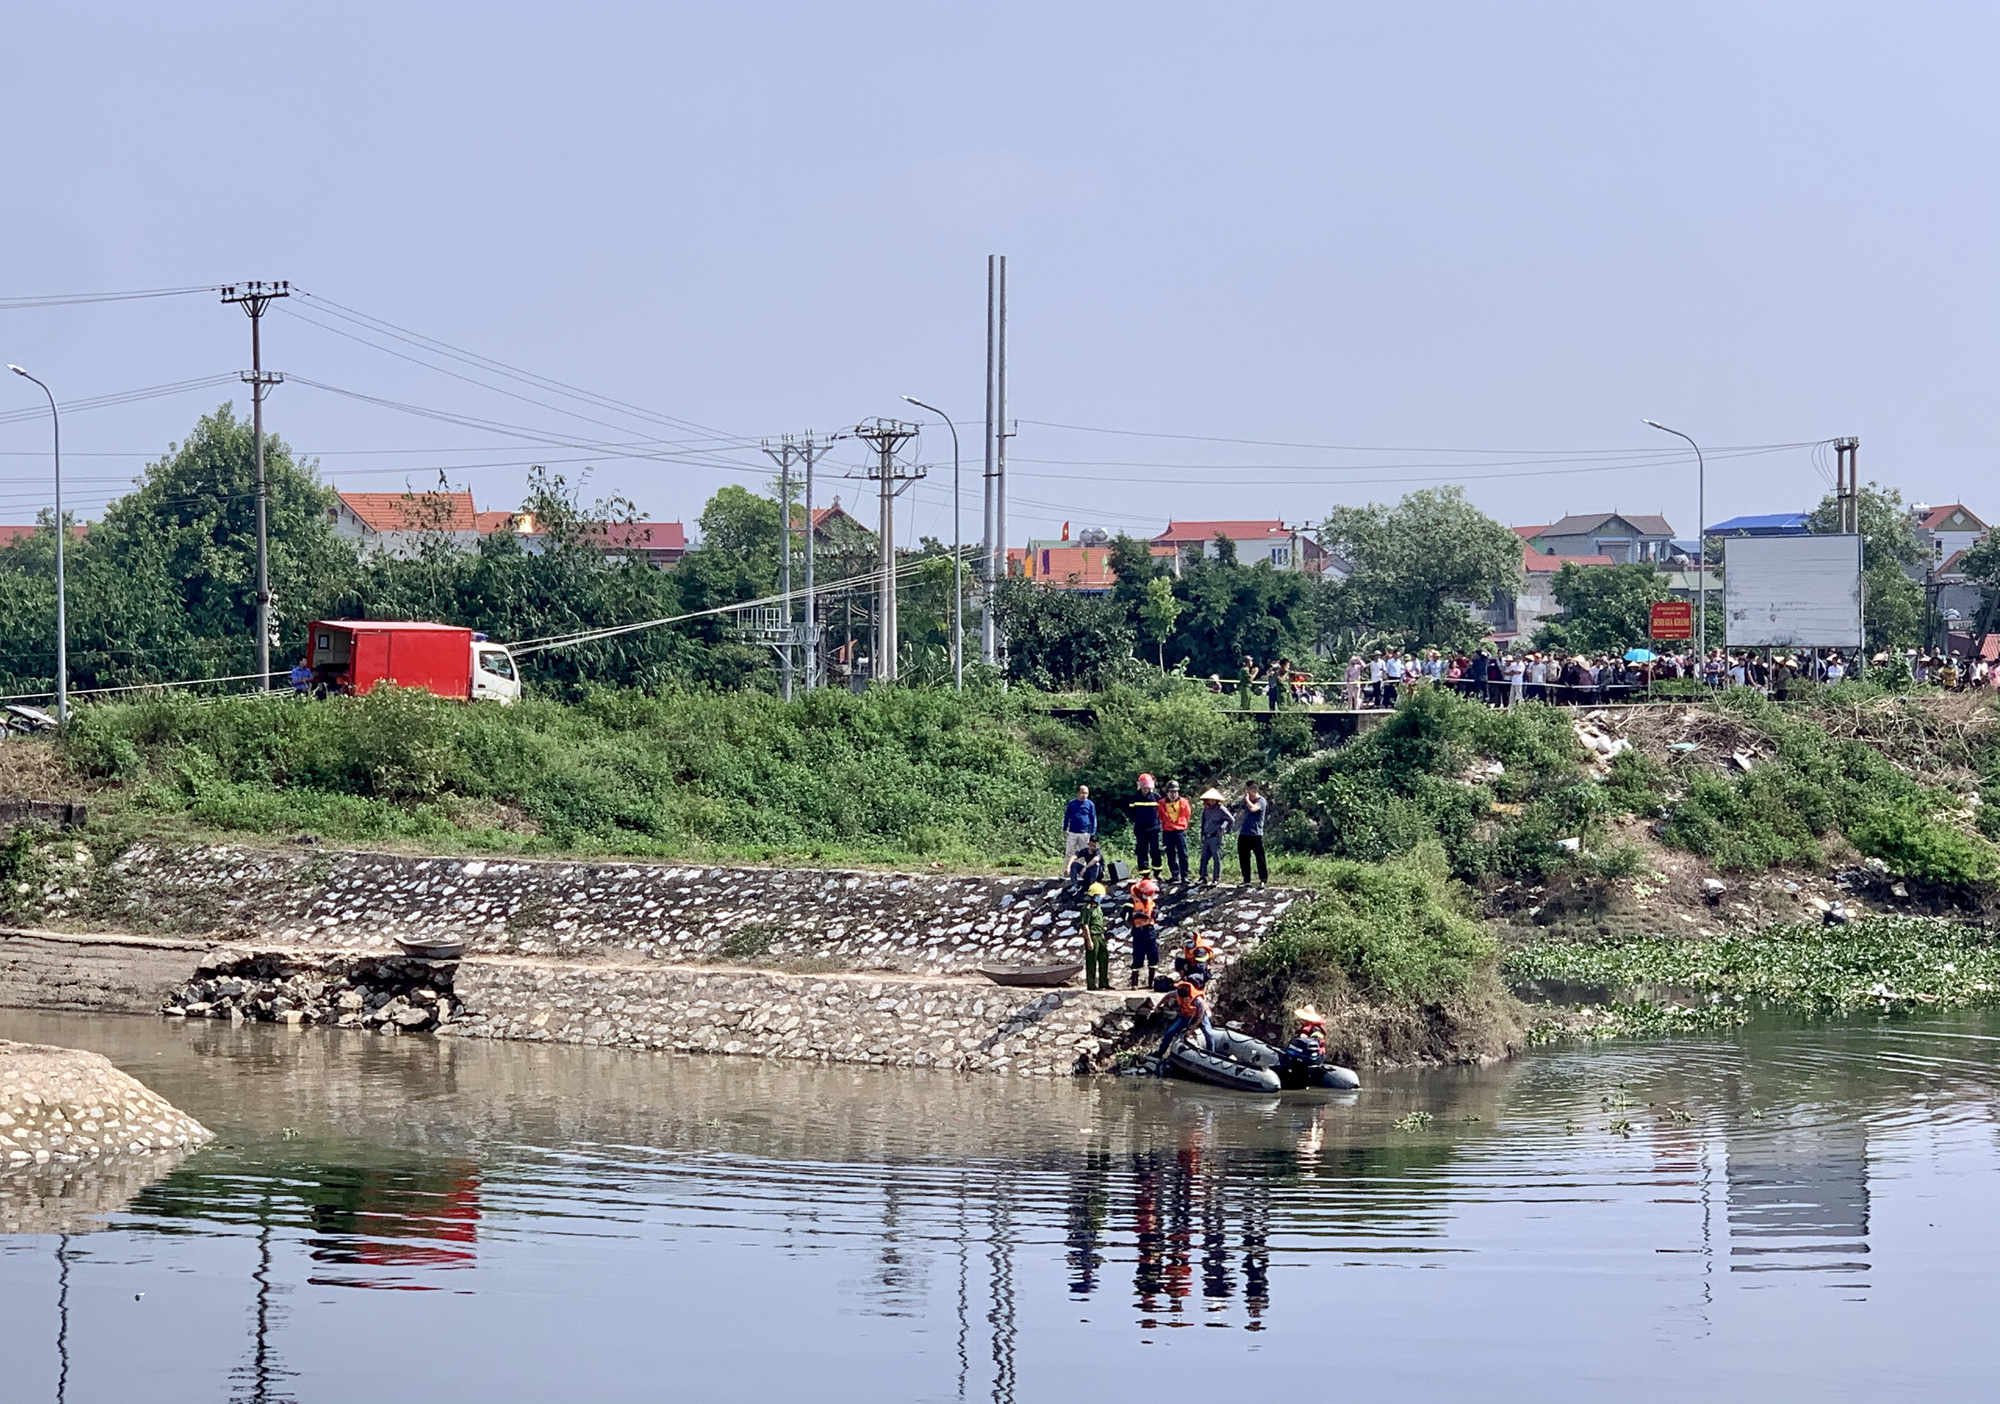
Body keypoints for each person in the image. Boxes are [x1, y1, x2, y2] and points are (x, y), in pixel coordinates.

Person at [1155, 978, 1213, 1064]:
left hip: (1200, 1017)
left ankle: (1211, 1055)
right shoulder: (1177, 993)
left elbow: (1200, 1017)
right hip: (1186, 1016)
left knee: (1209, 1034)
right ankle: (1160, 1052)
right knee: (1170, 1032)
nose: (1184, 1000)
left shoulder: (1198, 1000)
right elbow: (1167, 996)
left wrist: (1191, 1030)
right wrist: (1158, 1005)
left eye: (1186, 998)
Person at [1127, 874, 1161, 989]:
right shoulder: (1132, 900)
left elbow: (1154, 907)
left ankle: (1151, 983)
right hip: (1139, 931)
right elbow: (1125, 915)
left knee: (1154, 957)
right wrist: (1136, 914)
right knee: (1138, 958)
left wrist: (1156, 912)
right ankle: (1134, 983)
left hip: (1150, 931)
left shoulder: (1150, 899)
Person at [1128, 772, 1165, 878]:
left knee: (1155, 850)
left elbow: (1161, 812)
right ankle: (1144, 874)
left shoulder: (1157, 797)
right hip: (1140, 829)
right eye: (1143, 786)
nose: (1145, 789)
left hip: (1153, 828)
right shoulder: (1135, 798)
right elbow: (1131, 812)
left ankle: (1157, 872)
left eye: (1147, 786)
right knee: (1142, 851)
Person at [1158, 779, 1192, 884]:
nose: (1173, 794)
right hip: (1167, 831)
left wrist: (1181, 825)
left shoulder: (1184, 802)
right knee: (1170, 853)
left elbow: (1187, 815)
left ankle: (1184, 875)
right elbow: (1160, 816)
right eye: (1171, 791)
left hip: (1180, 831)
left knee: (1183, 853)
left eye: (1175, 791)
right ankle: (1175, 874)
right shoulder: (1162, 803)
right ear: (1167, 792)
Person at [1197, 786, 1233, 884]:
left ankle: (1216, 878)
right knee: (1204, 857)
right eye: (1210, 799)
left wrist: (1225, 829)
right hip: (1206, 836)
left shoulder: (1221, 809)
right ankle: (1203, 877)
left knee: (1216, 857)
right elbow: (1203, 822)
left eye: (1213, 800)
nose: (1211, 801)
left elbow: (1231, 820)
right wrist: (1201, 835)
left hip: (1215, 837)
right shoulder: (1206, 809)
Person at [1078, 882, 1110, 990]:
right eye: (1098, 896)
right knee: (1092, 960)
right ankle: (1091, 984)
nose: (1100, 898)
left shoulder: (1098, 907)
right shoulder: (1087, 909)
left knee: (1104, 958)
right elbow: (1085, 925)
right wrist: (1089, 940)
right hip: (1092, 936)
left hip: (1100, 935)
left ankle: (1103, 983)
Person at [1237, 780, 1268, 885]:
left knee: (1259, 857)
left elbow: (1254, 809)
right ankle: (1246, 879)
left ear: (1254, 790)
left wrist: (1247, 800)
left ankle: (1263, 879)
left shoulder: (1261, 801)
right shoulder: (1246, 801)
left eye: (1248, 790)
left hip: (1255, 834)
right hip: (1244, 833)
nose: (1246, 792)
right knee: (1244, 857)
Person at [1062, 784, 1098, 867]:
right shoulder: (1072, 803)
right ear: (1078, 793)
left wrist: (1093, 832)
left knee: (1083, 853)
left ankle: (1081, 871)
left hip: (1085, 833)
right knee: (1069, 852)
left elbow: (1093, 818)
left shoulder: (1090, 804)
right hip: (1072, 831)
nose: (1084, 795)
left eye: (1086, 793)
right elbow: (1067, 816)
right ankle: (1068, 870)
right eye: (1083, 793)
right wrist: (1065, 828)